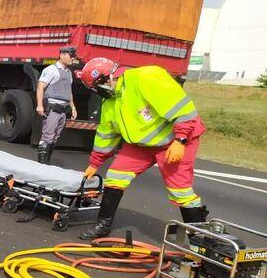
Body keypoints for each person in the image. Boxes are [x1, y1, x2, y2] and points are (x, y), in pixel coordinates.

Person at [78, 58, 207, 240]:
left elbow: (183, 110)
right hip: (141, 146)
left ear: (105, 79)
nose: (98, 93)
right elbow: (106, 136)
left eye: (96, 88)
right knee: (115, 177)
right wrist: (94, 163)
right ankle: (103, 225)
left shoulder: (146, 78)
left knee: (180, 191)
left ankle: (200, 239)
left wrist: (181, 139)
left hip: (173, 142)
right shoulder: (111, 102)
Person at [35, 46, 78, 164]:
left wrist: (73, 107)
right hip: (53, 108)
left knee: (55, 137)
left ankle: (47, 162)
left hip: (63, 110)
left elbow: (68, 91)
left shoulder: (69, 73)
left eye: (73, 56)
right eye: (70, 55)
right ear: (62, 55)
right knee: (48, 136)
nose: (72, 58)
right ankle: (42, 165)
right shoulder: (51, 70)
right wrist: (39, 105)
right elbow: (40, 87)